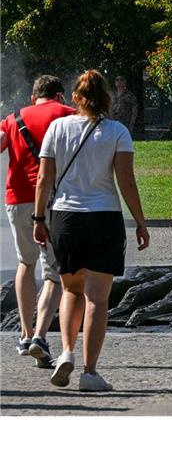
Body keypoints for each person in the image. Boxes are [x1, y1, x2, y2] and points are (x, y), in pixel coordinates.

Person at [33, 70, 149, 391]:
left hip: (65, 218)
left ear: (75, 97)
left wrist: (39, 219)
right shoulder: (117, 131)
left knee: (70, 290)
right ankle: (90, 372)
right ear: (107, 97)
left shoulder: (57, 128)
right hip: (103, 217)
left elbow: (44, 179)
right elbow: (125, 181)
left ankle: (66, 351)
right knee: (97, 298)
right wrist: (140, 221)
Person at [1, 75, 75, 367]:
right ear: (59, 95)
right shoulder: (68, 114)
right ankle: (40, 337)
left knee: (25, 263)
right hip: (52, 200)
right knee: (54, 273)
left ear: (34, 97)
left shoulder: (13, 118)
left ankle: (24, 332)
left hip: (16, 198)